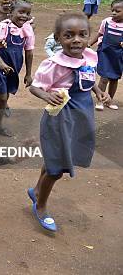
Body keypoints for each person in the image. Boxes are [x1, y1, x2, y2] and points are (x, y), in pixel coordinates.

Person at [28, 13, 109, 232]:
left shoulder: (89, 58)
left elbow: (88, 78)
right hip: (60, 118)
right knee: (56, 169)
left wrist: (99, 91)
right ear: (58, 38)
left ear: (89, 37)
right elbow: (34, 87)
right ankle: (41, 205)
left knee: (57, 159)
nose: (77, 40)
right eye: (69, 35)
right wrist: (46, 96)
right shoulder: (54, 64)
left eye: (82, 35)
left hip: (81, 117)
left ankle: (36, 190)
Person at [0, 0, 35, 136]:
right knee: (3, 97)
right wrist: (1, 63)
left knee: (5, 95)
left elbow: (29, 51)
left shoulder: (27, 29)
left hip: (14, 66)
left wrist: (28, 74)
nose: (24, 16)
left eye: (27, 13)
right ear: (11, 13)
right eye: (21, 12)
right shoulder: (3, 27)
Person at [90, 0, 123, 110]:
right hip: (105, 53)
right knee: (104, 78)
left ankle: (109, 100)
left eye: (117, 11)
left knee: (114, 79)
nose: (113, 13)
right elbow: (100, 33)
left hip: (118, 56)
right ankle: (100, 100)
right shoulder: (107, 21)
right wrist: (89, 44)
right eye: (112, 10)